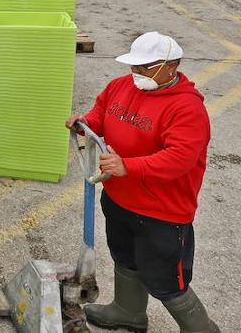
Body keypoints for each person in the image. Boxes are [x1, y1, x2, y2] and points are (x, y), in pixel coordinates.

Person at [65, 32, 218, 333]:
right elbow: (101, 115)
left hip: (161, 212)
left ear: (171, 66)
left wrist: (128, 167)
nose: (136, 73)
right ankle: (128, 312)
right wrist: (85, 124)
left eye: (145, 67)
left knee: (165, 280)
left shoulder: (187, 108)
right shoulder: (121, 86)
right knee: (125, 258)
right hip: (120, 200)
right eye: (134, 66)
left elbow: (179, 159)